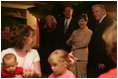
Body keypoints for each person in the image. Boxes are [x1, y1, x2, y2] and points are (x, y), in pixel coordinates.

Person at [87, 3, 115, 77]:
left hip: (103, 61)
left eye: (97, 11)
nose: (94, 14)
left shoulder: (108, 22)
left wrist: (103, 60)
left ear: (103, 11)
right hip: (97, 59)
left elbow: (107, 43)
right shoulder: (99, 22)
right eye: (93, 12)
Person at [66, 13, 92, 78]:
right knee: (72, 76)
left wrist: (73, 45)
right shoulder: (75, 31)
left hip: (82, 57)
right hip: (73, 57)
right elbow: (67, 42)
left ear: (86, 21)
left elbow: (84, 44)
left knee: (81, 76)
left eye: (83, 21)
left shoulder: (89, 31)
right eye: (79, 21)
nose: (81, 23)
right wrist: (70, 41)